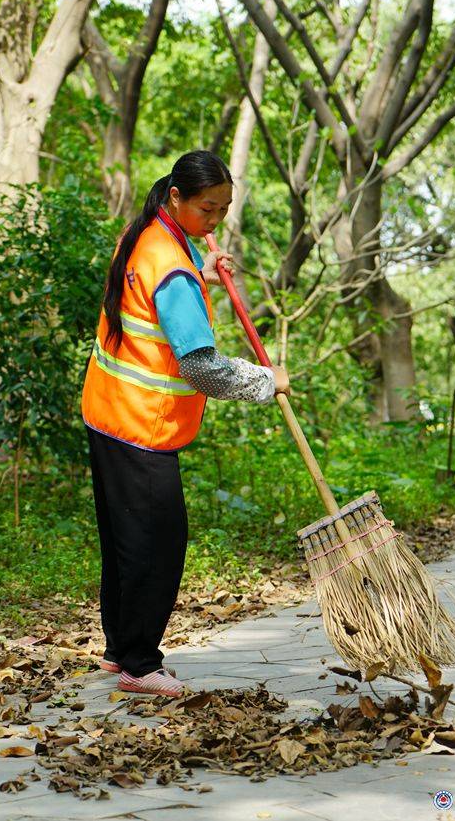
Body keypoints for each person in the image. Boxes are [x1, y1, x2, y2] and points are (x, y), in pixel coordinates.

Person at [81, 150, 290, 698]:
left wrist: (204, 276)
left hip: (107, 409)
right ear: (176, 197)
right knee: (158, 543)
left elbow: (150, 289)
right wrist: (267, 381)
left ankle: (117, 651)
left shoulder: (146, 232)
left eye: (222, 210)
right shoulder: (171, 266)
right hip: (141, 425)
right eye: (206, 209)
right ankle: (140, 664)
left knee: (124, 539)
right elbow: (200, 366)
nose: (214, 221)